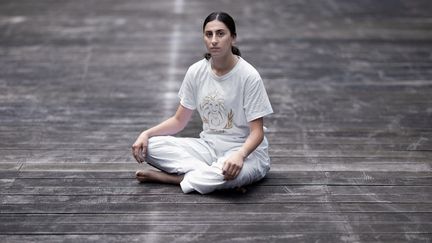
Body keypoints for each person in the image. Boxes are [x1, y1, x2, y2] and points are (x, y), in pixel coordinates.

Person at [132, 11, 273, 194]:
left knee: (231, 172)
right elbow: (178, 121)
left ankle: (176, 179)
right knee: (149, 147)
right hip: (208, 148)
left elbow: (257, 132)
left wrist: (239, 155)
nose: (214, 40)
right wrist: (146, 133)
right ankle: (211, 178)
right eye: (209, 34)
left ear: (233, 38)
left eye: (220, 34)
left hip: (246, 152)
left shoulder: (248, 76)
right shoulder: (196, 72)